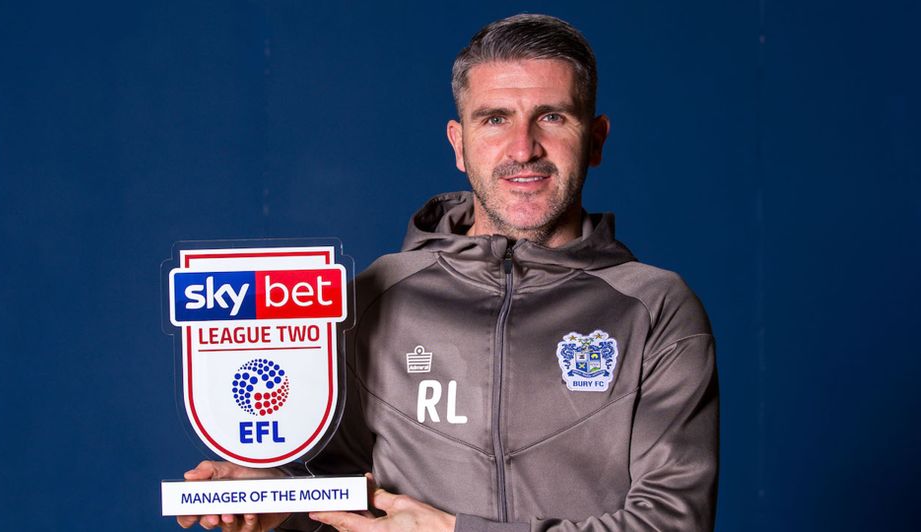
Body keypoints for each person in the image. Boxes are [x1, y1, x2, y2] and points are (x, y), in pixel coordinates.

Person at [178, 13, 718, 532]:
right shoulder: (373, 296)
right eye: (495, 118)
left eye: (552, 116)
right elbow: (340, 485)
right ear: (459, 144)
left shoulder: (655, 308)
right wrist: (273, 493)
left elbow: (673, 522)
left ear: (595, 139)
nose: (524, 148)